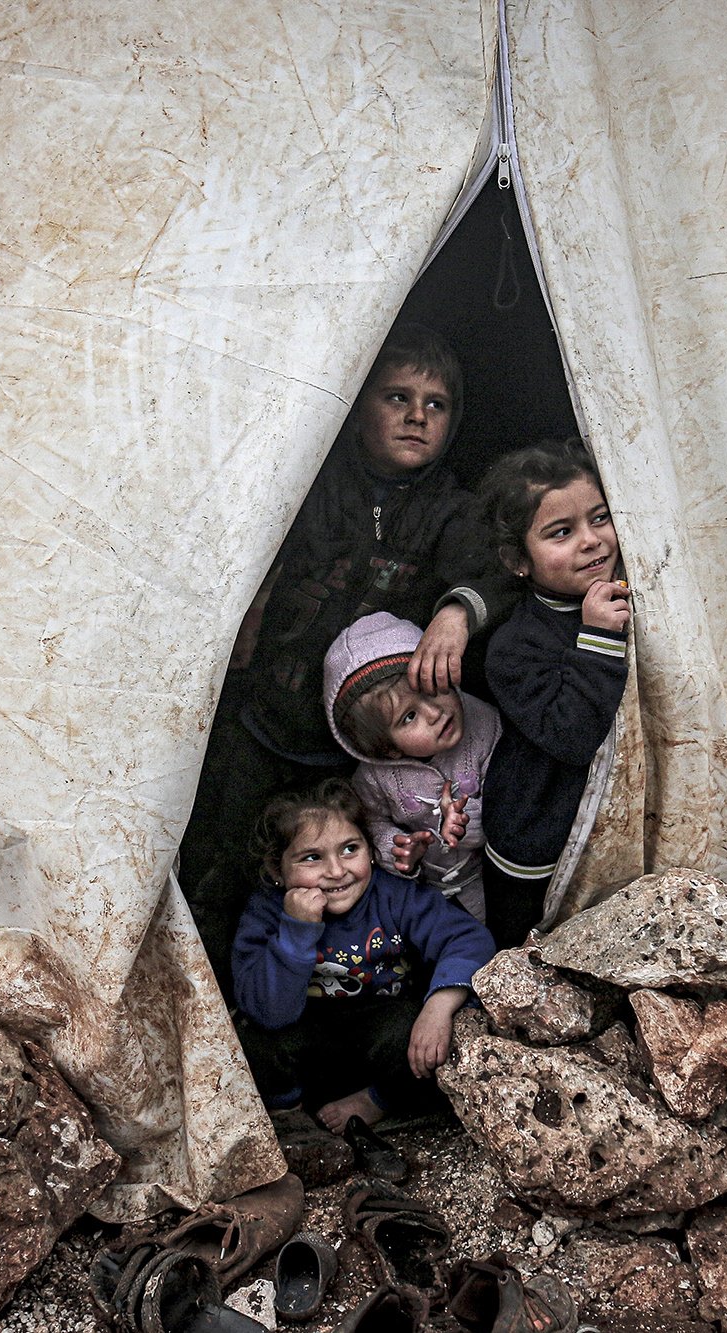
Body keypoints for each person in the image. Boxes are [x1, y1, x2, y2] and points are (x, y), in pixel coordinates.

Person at [177, 326, 516, 989]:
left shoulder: (450, 508)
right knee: (222, 862)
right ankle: (211, 1003)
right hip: (263, 719)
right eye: (397, 396)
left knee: (337, 884)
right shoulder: (311, 476)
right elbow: (243, 536)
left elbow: (496, 569)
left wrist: (456, 610)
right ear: (356, 404)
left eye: (437, 404)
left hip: (357, 750)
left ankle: (320, 1023)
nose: (417, 416)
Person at [230, 780, 495, 1132]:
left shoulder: (393, 896)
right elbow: (267, 1010)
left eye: (350, 849)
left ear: (370, 850)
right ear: (279, 871)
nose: (337, 871)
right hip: (302, 1037)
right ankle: (289, 1117)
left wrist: (439, 1006)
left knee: (419, 1029)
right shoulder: (267, 911)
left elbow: (467, 938)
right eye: (312, 857)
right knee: (248, 1033)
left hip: (377, 1035)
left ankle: (377, 1100)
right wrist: (296, 930)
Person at [476, 441, 631, 949]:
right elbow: (571, 735)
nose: (591, 542)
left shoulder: (638, 588)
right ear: (518, 560)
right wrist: (600, 637)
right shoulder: (512, 649)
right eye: (561, 533)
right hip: (535, 836)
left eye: (600, 518)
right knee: (524, 951)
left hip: (610, 827)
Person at [324, 611, 501, 921]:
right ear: (388, 749)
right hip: (422, 890)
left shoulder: (485, 726)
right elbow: (369, 822)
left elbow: (514, 804)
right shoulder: (375, 777)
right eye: (409, 717)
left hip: (490, 876)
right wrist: (397, 848)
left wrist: (464, 820)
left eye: (431, 688)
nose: (434, 712)